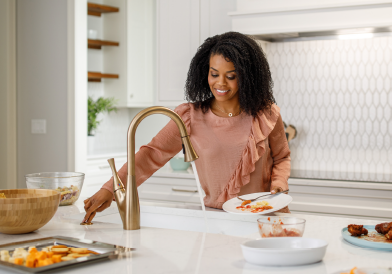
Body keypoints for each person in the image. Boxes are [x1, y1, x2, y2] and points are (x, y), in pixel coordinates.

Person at [83, 32, 291, 221]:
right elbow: (151, 154)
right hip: (216, 218)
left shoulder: (266, 114)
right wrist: (111, 188)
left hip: (265, 217)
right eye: (214, 73)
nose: (220, 83)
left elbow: (282, 157)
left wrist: (279, 182)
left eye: (231, 76)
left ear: (247, 77)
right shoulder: (190, 116)